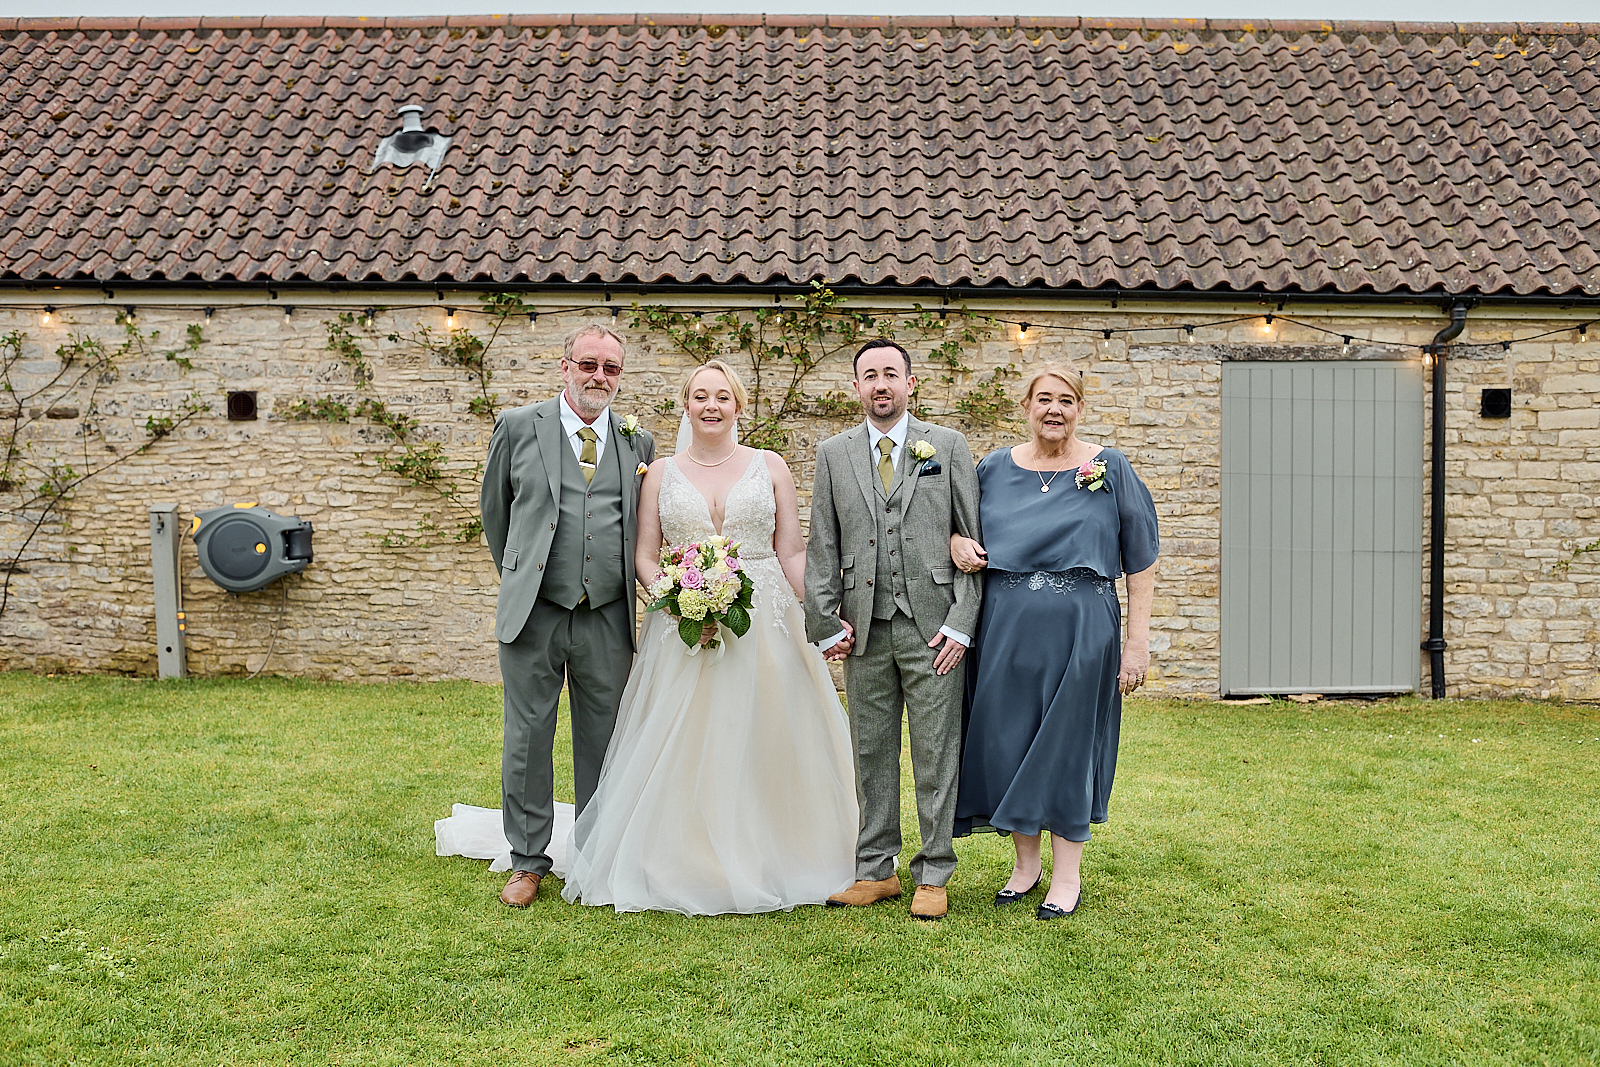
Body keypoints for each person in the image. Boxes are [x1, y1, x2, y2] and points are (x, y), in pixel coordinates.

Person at [562, 361, 858, 915]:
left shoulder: (770, 466)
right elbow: (644, 556)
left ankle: (779, 851)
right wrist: (678, 598)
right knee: (688, 740)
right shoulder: (660, 474)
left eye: (722, 396)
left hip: (765, 621)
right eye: (700, 396)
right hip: (684, 627)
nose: (711, 405)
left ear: (738, 406)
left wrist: (824, 615)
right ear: (686, 405)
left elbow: (792, 551)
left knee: (771, 735)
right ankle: (686, 856)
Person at [949, 365, 1158, 920]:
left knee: (1068, 746)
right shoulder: (992, 468)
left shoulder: (1110, 467)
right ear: (1026, 406)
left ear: (1080, 409)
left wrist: (1137, 644)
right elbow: (953, 523)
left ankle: (1067, 877)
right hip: (1004, 632)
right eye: (1044, 399)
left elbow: (1141, 561)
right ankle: (1026, 866)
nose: (1054, 410)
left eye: (1066, 400)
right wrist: (954, 542)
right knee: (1010, 742)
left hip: (1083, 631)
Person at [803, 339, 983, 922]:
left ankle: (934, 872)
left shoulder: (947, 446)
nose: (880, 384)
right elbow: (822, 543)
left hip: (933, 628)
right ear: (856, 387)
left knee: (936, 751)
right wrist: (823, 621)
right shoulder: (833, 454)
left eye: (890, 374)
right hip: (864, 627)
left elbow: (973, 540)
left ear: (910, 383)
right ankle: (875, 869)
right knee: (870, 750)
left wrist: (961, 623)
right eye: (869, 375)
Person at [479, 323, 656, 908]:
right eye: (588, 364)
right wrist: (527, 576)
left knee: (604, 740)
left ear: (620, 376)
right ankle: (528, 861)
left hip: (606, 614)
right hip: (534, 612)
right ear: (565, 367)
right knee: (528, 736)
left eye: (610, 368)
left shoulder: (638, 442)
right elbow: (496, 515)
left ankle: (595, 858)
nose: (598, 376)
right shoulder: (516, 426)